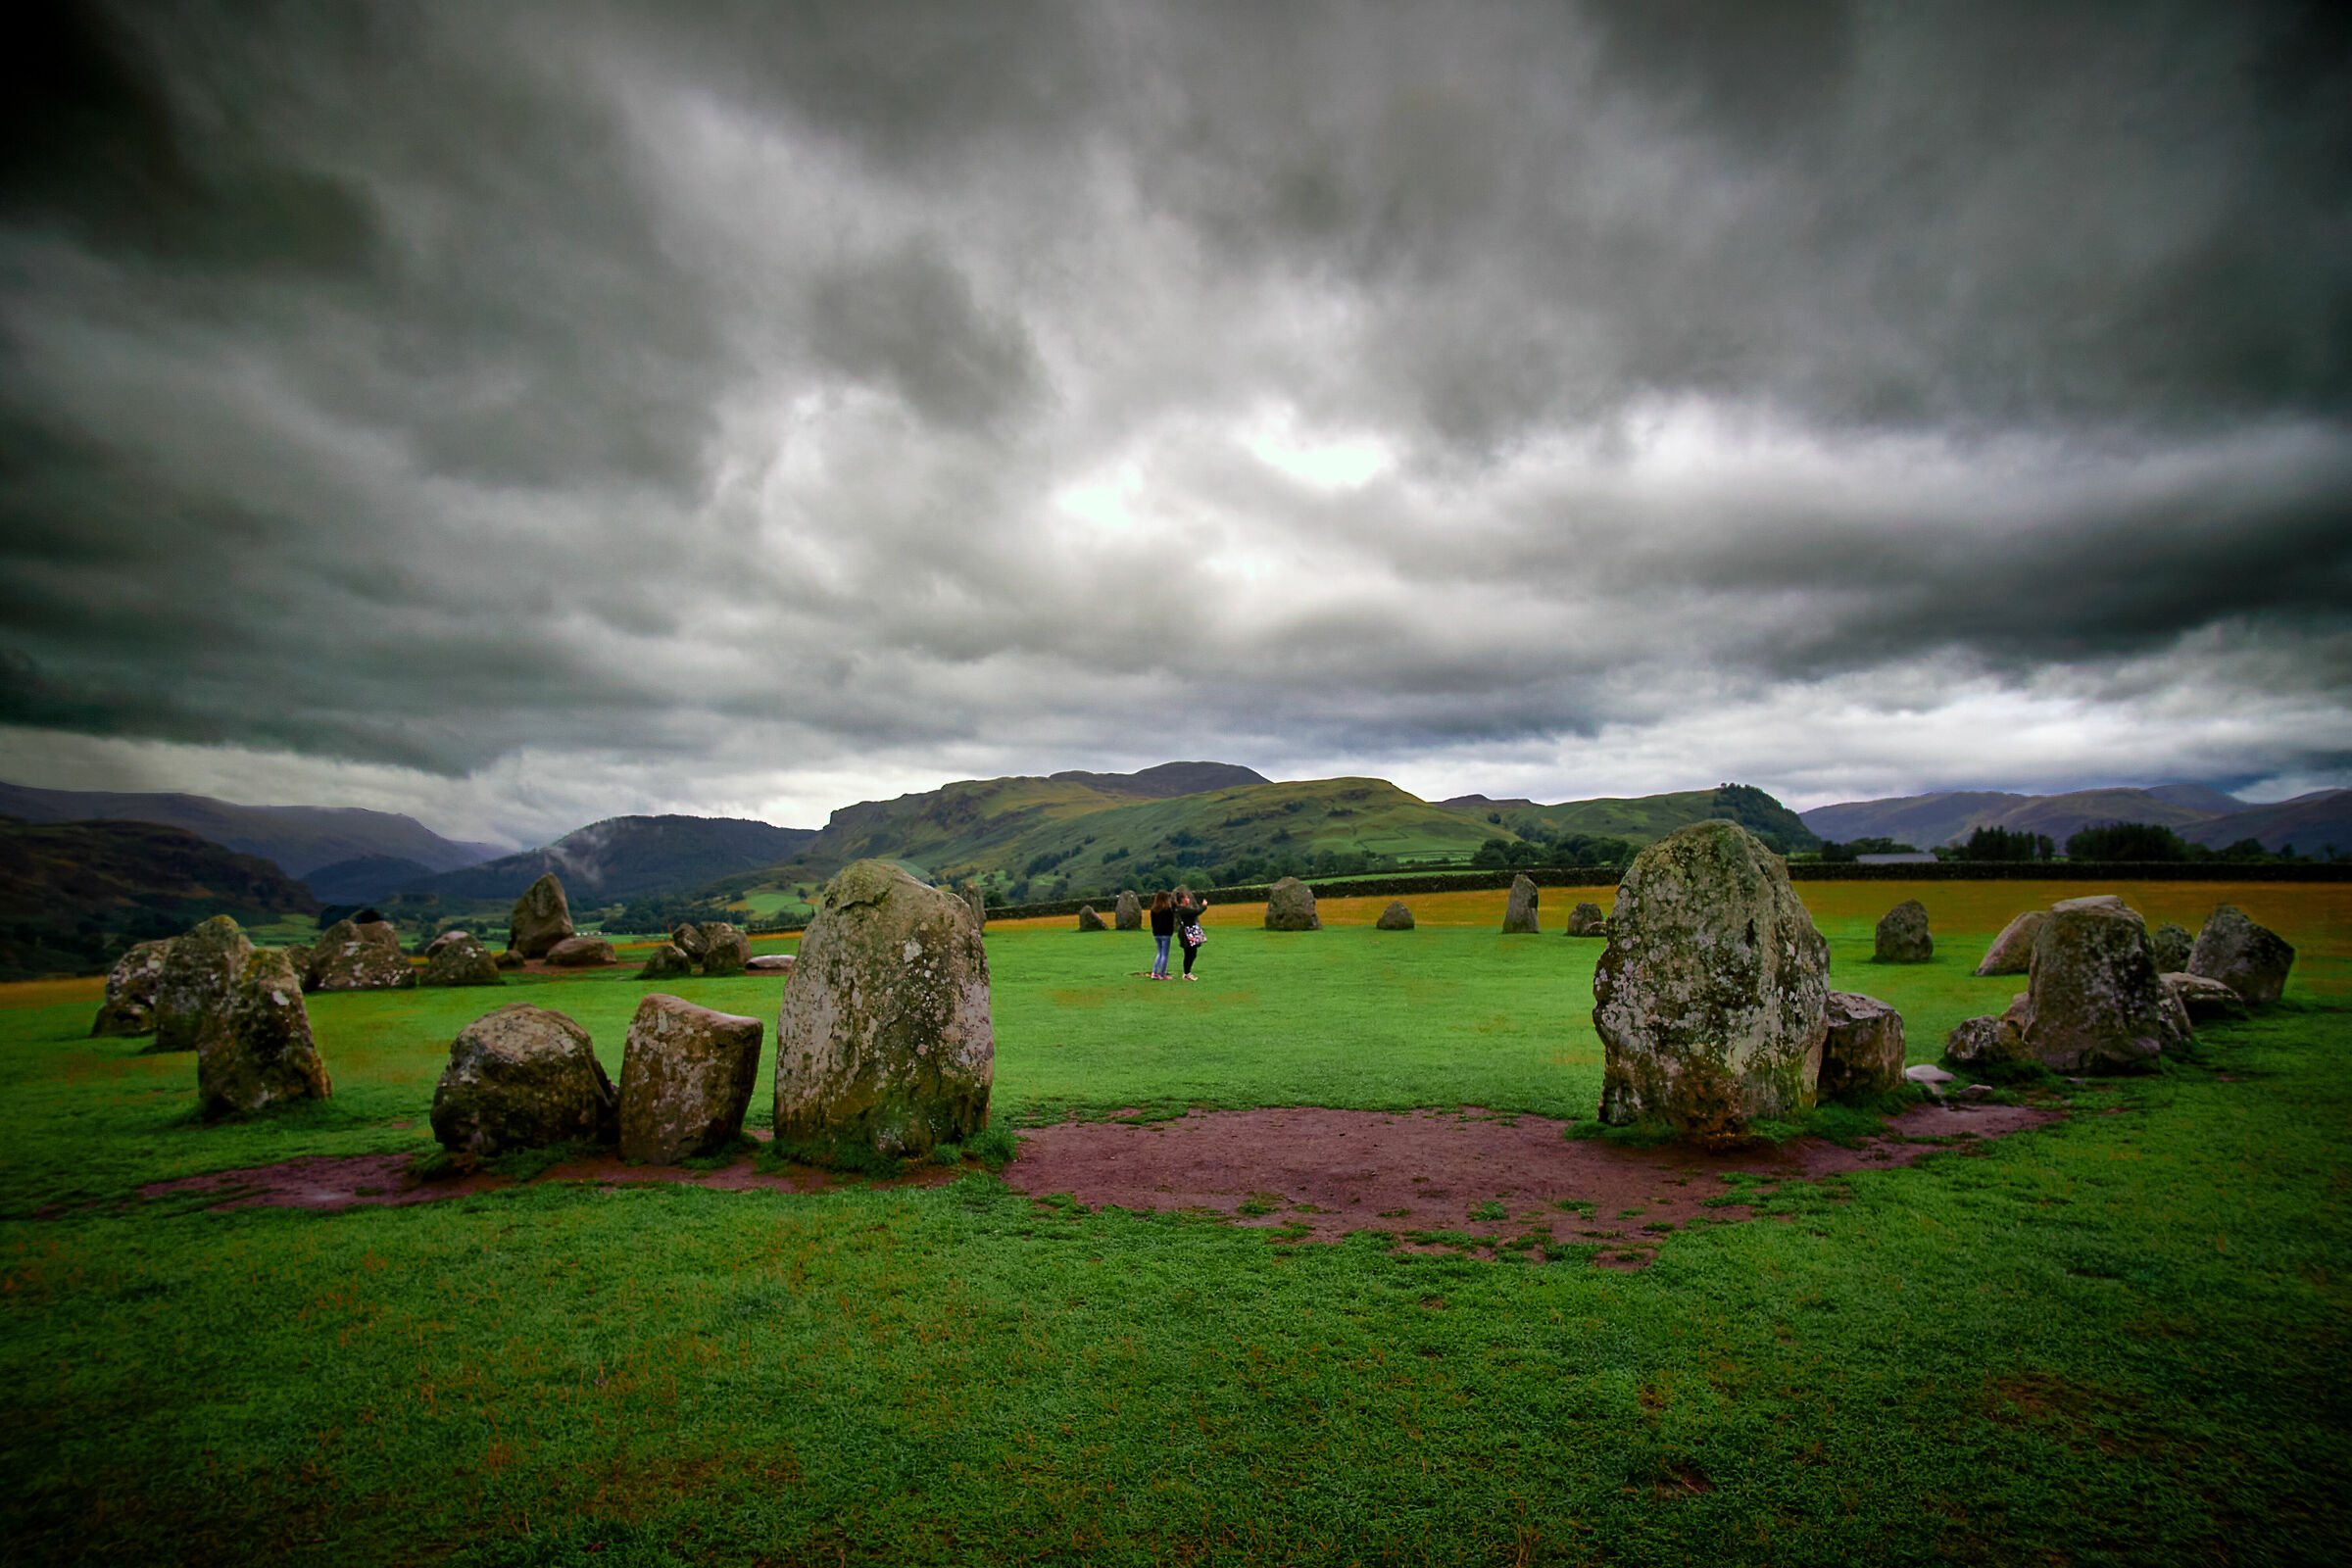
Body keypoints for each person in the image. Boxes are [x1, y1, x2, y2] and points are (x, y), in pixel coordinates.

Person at [1174, 885, 1207, 980]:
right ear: (1182, 900)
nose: (1188, 899)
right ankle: (1186, 973)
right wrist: (1204, 906)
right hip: (1187, 934)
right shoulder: (1183, 910)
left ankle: (1187, 972)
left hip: (1189, 933)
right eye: (1186, 898)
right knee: (1190, 953)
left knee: (1191, 953)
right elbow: (1196, 911)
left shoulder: (1181, 909)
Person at [1148, 890, 1176, 979]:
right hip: (1166, 934)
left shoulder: (1153, 910)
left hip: (1156, 933)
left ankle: (1154, 972)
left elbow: (1153, 922)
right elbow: (1170, 922)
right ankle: (1163, 974)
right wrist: (1171, 931)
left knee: (1159, 953)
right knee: (1164, 954)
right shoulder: (1167, 910)